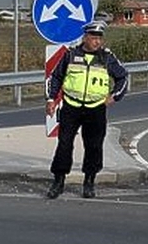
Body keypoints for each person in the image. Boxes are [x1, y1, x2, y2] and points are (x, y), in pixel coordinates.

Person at [44, 19, 129, 199]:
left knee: (94, 146)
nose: (97, 41)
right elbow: (55, 78)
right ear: (85, 37)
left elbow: (123, 78)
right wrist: (51, 99)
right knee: (64, 145)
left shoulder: (107, 57)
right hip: (71, 107)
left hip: (95, 109)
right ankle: (58, 181)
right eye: (93, 37)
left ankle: (89, 181)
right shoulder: (70, 55)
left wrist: (114, 96)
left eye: (100, 38)